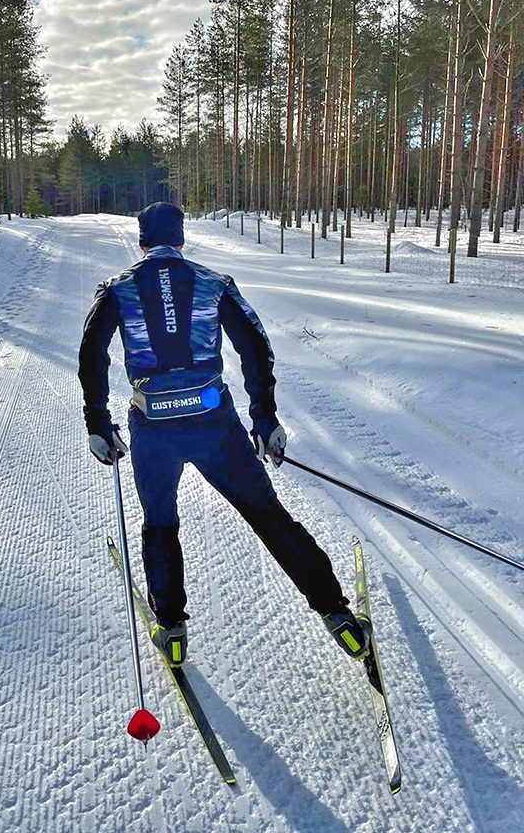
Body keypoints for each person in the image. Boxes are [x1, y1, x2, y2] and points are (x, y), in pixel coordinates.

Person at [78, 202, 370, 668]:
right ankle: (336, 613)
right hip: (215, 427)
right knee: (269, 518)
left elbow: (92, 354)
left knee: (160, 524)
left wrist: (97, 424)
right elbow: (255, 348)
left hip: (154, 431)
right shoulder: (214, 284)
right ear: (181, 241)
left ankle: (171, 627)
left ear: (141, 243)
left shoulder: (118, 289)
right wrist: (264, 419)